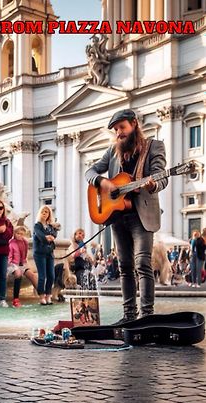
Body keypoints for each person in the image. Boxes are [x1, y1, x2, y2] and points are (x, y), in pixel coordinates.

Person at [86, 109, 168, 324]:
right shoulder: (112, 151)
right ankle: (129, 315)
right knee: (124, 265)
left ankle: (147, 315)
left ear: (134, 124)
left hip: (142, 214)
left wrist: (153, 184)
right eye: (115, 130)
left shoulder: (153, 146)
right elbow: (90, 172)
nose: (119, 133)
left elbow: (162, 177)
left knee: (142, 262)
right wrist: (102, 182)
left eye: (121, 127)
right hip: (117, 216)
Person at [33, 205, 58, 305]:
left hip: (49, 253)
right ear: (40, 213)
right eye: (43, 211)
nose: (44, 213)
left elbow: (54, 235)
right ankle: (41, 296)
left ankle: (48, 295)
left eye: (46, 212)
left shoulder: (50, 226)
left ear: (49, 214)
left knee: (51, 276)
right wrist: (47, 237)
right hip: (39, 254)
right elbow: (41, 237)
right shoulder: (37, 225)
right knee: (42, 276)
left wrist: (50, 237)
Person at [7, 226, 38, 308]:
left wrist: (26, 265)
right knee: (18, 274)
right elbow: (9, 258)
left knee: (32, 275)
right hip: (13, 264)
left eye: (21, 234)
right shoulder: (11, 243)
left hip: (22, 264)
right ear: (14, 233)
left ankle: (42, 295)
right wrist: (11, 266)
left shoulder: (25, 242)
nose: (19, 235)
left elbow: (25, 256)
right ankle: (15, 300)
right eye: (18, 233)